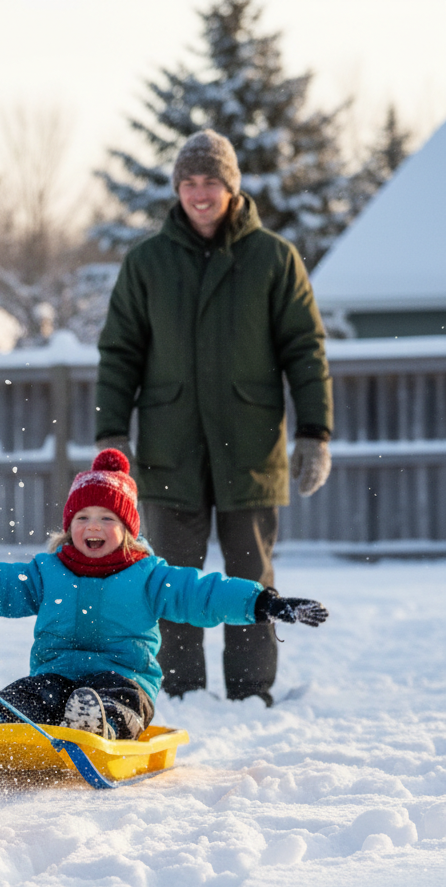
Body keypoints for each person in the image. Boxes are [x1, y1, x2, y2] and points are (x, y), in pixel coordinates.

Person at [95, 129, 334, 706]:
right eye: (189, 182)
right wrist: (111, 434)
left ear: (232, 188)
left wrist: (315, 432)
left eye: (211, 182)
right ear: (177, 188)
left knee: (250, 576)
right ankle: (181, 692)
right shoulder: (147, 262)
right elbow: (120, 352)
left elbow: (305, 349)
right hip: (168, 445)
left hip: (250, 445)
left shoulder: (274, 258)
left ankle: (252, 692)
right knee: (171, 578)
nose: (200, 194)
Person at [0, 450, 327, 739]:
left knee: (120, 700)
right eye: (82, 517)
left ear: (128, 529)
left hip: (125, 678)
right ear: (68, 526)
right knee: (30, 695)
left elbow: (204, 593)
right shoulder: (48, 572)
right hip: (57, 676)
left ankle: (101, 725)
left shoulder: (149, 576)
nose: (93, 526)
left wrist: (264, 602)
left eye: (106, 518)